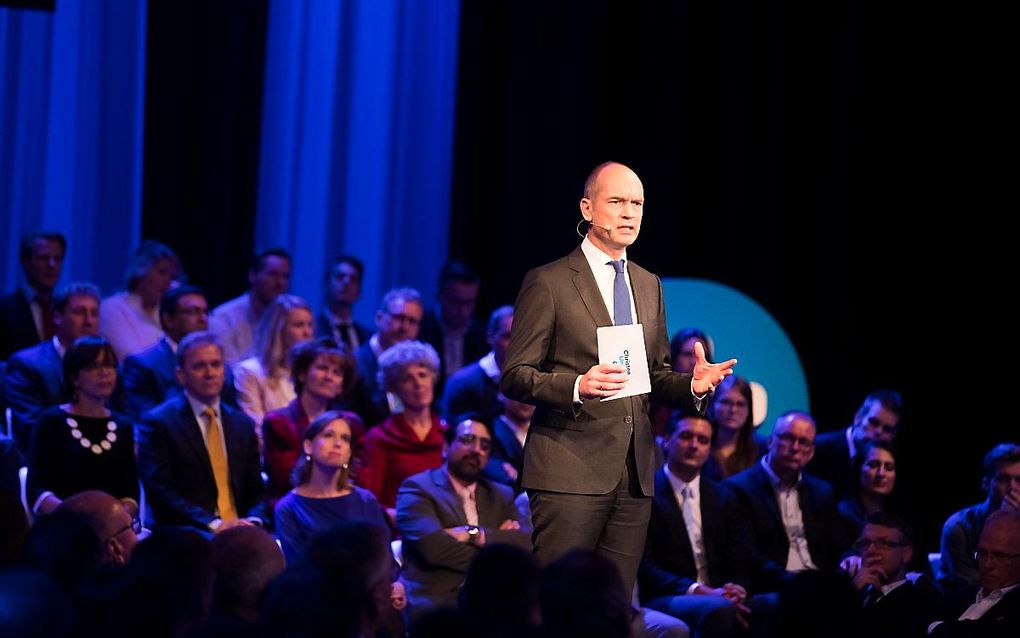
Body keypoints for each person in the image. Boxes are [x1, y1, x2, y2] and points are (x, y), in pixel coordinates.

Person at [501, 161, 735, 599]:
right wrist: (576, 386)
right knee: (558, 605)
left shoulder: (649, 284)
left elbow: (654, 375)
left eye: (638, 204)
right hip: (568, 472)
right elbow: (515, 376)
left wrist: (692, 386)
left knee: (612, 609)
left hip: (634, 477)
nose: (630, 213)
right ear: (587, 209)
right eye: (617, 201)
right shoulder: (549, 281)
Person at [639, 415, 763, 638]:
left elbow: (740, 557)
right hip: (668, 594)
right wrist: (699, 590)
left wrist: (736, 589)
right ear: (666, 440)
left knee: (766, 605)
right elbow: (646, 566)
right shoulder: (647, 494)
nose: (694, 445)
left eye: (703, 440)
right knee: (719, 610)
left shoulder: (723, 496)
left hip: (719, 592)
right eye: (686, 436)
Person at [396, 418, 530, 618]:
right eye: (467, 439)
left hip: (492, 605)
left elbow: (523, 545)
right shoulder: (418, 488)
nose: (476, 450)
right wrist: (496, 552)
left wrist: (473, 534)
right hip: (435, 605)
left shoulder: (502, 495)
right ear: (446, 446)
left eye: (485, 445)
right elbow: (433, 548)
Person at [136, 331, 268, 531]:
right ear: (181, 375)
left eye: (216, 364)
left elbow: (257, 490)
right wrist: (215, 524)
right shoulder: (159, 423)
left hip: (242, 531)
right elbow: (160, 491)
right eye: (199, 366)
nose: (210, 373)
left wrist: (253, 521)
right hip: (189, 533)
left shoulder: (242, 424)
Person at [724, 410, 848, 593]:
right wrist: (798, 582)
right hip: (771, 585)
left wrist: (850, 557)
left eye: (804, 442)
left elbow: (840, 545)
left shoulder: (821, 491)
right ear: (770, 442)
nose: (795, 447)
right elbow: (748, 557)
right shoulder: (738, 489)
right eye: (788, 438)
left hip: (818, 582)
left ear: (811, 452)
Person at [26, 336, 138, 514]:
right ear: (74, 377)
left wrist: (115, 517)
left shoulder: (123, 425)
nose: (105, 373)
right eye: (94, 367)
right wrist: (75, 516)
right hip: (64, 523)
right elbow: (36, 490)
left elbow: (130, 493)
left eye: (109, 365)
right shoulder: (51, 421)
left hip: (112, 526)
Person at [273, 411, 388, 565]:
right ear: (308, 446)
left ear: (348, 454)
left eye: (345, 438)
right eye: (328, 435)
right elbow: (299, 570)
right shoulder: (288, 509)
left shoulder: (365, 500)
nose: (338, 443)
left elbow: (385, 558)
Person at [5, 282, 101, 451]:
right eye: (80, 312)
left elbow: (125, 417)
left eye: (94, 313)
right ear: (57, 316)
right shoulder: (27, 364)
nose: (89, 321)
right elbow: (31, 428)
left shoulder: (109, 366)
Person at [121, 285, 238, 419]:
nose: (203, 319)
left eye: (206, 312)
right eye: (194, 312)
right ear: (168, 319)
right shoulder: (143, 365)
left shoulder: (222, 367)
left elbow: (232, 416)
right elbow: (147, 421)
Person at [263, 338, 359, 498]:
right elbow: (286, 479)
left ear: (341, 385)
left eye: (337, 373)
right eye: (322, 368)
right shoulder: (279, 422)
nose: (329, 377)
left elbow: (356, 475)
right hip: (294, 505)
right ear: (302, 374)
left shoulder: (351, 424)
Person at [359, 341, 446, 517]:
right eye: (407, 378)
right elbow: (369, 497)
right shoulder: (380, 437)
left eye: (423, 375)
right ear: (393, 388)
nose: (418, 384)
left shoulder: (447, 433)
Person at [937, 442, 1020, 604]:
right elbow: (977, 586)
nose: (1013, 488)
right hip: (964, 608)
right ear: (986, 483)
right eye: (1003, 479)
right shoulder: (959, 527)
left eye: (1019, 480)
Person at [849, 512, 942, 638]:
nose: (871, 550)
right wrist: (851, 594)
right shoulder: (851, 588)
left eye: (883, 543)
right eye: (865, 543)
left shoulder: (918, 603)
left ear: (906, 554)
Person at [929, 510, 1020, 637]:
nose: (988, 565)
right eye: (982, 553)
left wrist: (936, 628)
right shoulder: (961, 595)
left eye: (999, 556)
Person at [233, 294, 314, 427]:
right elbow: (256, 427)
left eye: (310, 325)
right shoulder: (250, 372)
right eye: (299, 325)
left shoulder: (309, 374)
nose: (307, 332)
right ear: (279, 329)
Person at [348, 287, 425, 427]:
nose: (405, 327)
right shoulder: (354, 363)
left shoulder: (419, 368)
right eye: (399, 318)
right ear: (379, 318)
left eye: (412, 321)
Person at [809, 389, 903, 500]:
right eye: (873, 422)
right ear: (858, 417)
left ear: (894, 435)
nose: (879, 432)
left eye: (887, 429)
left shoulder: (889, 467)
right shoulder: (819, 448)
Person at [99, 240, 181, 361]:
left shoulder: (166, 315)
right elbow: (131, 358)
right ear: (140, 270)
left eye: (172, 276)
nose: (167, 281)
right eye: (162, 273)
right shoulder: (112, 309)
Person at [209, 248, 292, 365]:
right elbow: (231, 371)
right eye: (272, 274)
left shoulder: (289, 318)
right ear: (252, 275)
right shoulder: (223, 318)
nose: (280, 283)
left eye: (285, 276)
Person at [441, 305, 514, 424]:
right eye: (507, 336)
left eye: (522, 337)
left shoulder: (536, 378)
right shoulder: (463, 383)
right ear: (490, 337)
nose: (516, 344)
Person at [418, 261, 488, 381]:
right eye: (455, 302)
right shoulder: (420, 328)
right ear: (440, 296)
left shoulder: (482, 334)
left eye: (468, 303)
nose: (462, 310)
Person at [0, 231, 66, 360]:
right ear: (25, 261)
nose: (51, 265)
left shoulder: (66, 310)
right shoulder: (4, 310)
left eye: (57, 259)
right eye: (43, 258)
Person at [703, 375, 766, 481]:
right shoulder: (697, 443)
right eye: (726, 402)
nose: (733, 410)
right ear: (713, 405)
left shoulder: (762, 450)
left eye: (740, 404)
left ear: (749, 410)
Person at [838, 440, 899, 541]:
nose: (881, 474)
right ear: (858, 468)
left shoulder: (900, 515)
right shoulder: (843, 514)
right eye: (874, 465)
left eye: (889, 467)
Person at [316, 255, 372, 350]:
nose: (347, 282)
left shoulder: (368, 338)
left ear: (359, 290)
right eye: (340, 277)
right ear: (326, 284)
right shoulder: (313, 329)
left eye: (353, 279)